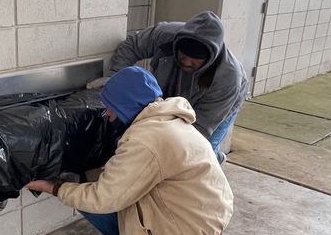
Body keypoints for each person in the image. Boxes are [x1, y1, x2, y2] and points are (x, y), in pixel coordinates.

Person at [26, 67, 234, 235]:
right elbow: (120, 181)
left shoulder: (145, 140)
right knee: (84, 197)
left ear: (126, 105)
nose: (108, 114)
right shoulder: (168, 121)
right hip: (191, 223)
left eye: (111, 108)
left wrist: (52, 187)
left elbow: (104, 198)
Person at [89, 11, 249, 155]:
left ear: (209, 58)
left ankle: (214, 162)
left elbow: (199, 129)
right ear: (177, 45)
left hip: (218, 106)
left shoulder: (227, 78)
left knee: (200, 151)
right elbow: (132, 45)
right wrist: (116, 77)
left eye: (195, 59)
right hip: (173, 92)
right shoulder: (165, 35)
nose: (186, 61)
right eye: (183, 54)